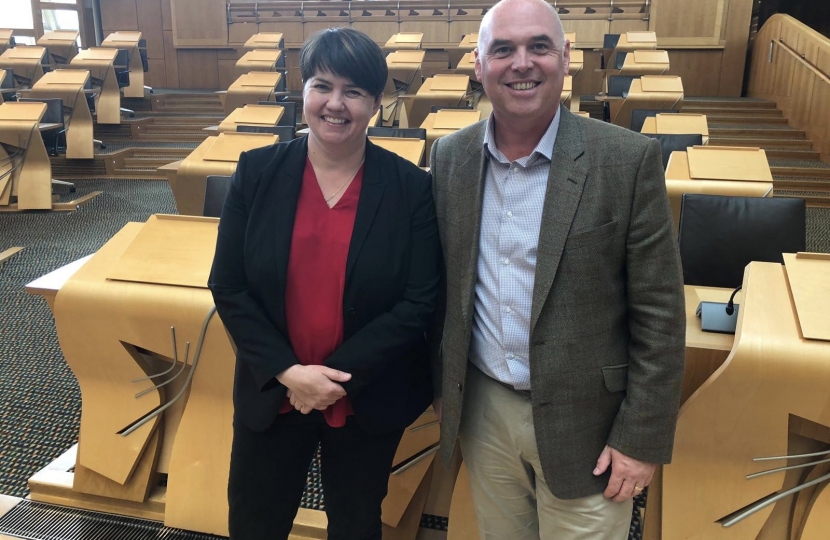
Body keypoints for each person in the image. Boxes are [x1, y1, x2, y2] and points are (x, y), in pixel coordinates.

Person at [429, 0, 686, 538]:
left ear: (566, 58)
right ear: (479, 65)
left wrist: (641, 438)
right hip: (485, 410)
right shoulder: (450, 157)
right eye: (503, 49)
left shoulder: (627, 160)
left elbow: (660, 313)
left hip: (588, 423)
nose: (521, 63)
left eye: (538, 47)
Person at [209, 27, 441, 540]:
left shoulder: (411, 189)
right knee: (255, 521)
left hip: (367, 395)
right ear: (303, 91)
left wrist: (328, 379)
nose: (335, 104)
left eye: (353, 91)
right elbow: (228, 285)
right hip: (275, 390)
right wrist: (292, 373)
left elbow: (418, 300)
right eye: (322, 86)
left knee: (357, 524)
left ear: (376, 104)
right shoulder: (256, 171)